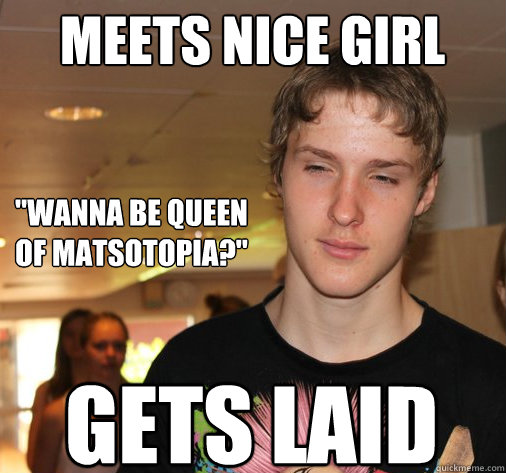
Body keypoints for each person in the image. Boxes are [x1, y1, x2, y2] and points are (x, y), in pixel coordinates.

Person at [118, 46, 505, 473]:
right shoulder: (186, 369)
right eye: (319, 168)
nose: (345, 210)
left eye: (383, 177)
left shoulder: (491, 390)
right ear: (279, 173)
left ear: (425, 192)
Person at [31, 312, 129, 473]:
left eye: (118, 346)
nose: (110, 354)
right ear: (83, 349)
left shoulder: (145, 406)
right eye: (100, 346)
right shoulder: (58, 413)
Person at [27, 308, 92, 471]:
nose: (77, 341)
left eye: (83, 334)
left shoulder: (115, 387)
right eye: (70, 334)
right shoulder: (47, 391)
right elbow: (34, 458)